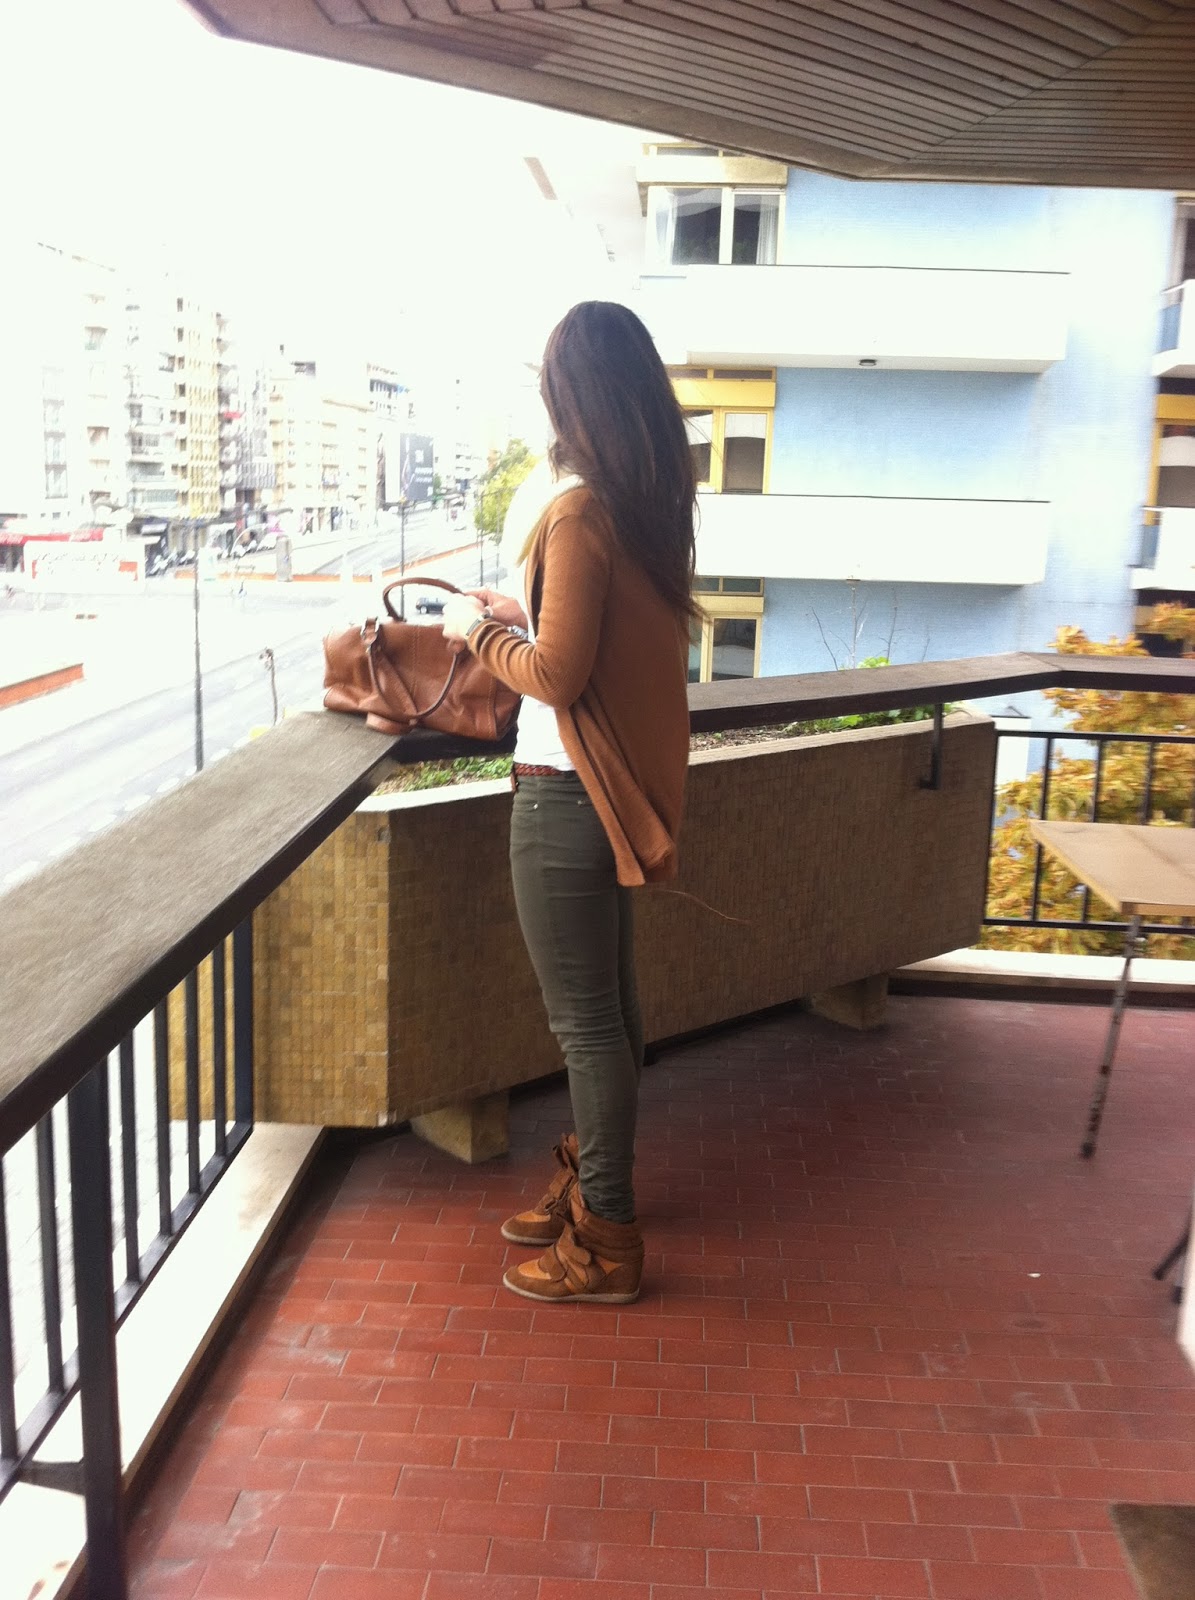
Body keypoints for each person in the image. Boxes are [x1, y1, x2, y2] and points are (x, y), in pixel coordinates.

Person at [440, 300, 698, 1306]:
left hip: (562, 795)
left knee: (588, 1028)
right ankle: (596, 1188)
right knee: (614, 1015)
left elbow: (553, 674)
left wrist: (475, 632)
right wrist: (527, 610)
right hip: (607, 793)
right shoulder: (642, 502)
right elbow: (593, 634)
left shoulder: (582, 510)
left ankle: (607, 1240)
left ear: (570, 395)